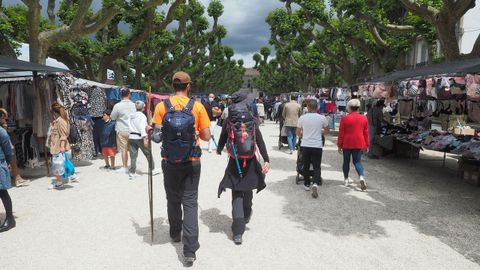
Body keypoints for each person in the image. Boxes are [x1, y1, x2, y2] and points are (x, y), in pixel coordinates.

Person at [151, 71, 211, 266]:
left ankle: (175, 233)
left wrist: (149, 131)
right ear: (188, 86)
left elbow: (157, 136)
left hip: (169, 161)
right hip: (192, 160)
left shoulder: (161, 106)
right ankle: (190, 249)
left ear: (172, 86)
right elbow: (207, 136)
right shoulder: (198, 107)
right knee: (191, 202)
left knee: (173, 199)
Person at [216, 91, 270, 245]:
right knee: (248, 189)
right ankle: (246, 214)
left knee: (237, 193)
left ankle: (238, 232)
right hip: (250, 159)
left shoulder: (230, 119)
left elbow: (223, 136)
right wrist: (266, 159)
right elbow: (259, 139)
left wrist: (219, 149)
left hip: (235, 160)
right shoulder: (251, 118)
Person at [296, 99, 329, 198]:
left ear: (308, 107)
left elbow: (297, 133)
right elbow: (327, 131)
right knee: (317, 165)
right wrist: (319, 132)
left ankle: (306, 184)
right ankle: (315, 182)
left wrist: (304, 134)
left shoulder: (302, 118)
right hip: (317, 145)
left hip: (305, 145)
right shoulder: (322, 118)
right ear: (317, 107)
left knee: (306, 164)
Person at [337, 99, 369, 191]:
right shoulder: (364, 118)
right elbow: (366, 133)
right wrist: (367, 145)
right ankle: (361, 177)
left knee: (346, 161)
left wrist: (339, 145)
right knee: (357, 162)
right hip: (359, 142)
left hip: (347, 143)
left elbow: (341, 133)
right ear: (358, 107)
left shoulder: (345, 118)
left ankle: (346, 179)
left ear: (349, 107)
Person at [128, 101, 159, 179]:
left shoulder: (131, 115)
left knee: (133, 156)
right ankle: (152, 169)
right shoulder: (142, 116)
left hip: (131, 136)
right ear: (143, 107)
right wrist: (145, 138)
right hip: (139, 137)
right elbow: (142, 127)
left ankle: (132, 172)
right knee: (148, 153)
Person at [111, 88, 136, 173]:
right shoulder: (134, 105)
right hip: (132, 130)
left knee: (123, 149)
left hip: (121, 129)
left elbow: (113, 117)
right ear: (129, 94)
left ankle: (125, 166)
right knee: (132, 149)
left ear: (121, 95)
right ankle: (133, 166)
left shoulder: (117, 106)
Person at [0, 109, 26, 187]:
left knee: (13, 162)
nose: (5, 120)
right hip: (6, 149)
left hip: (7, 147)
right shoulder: (2, 128)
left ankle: (17, 177)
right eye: (4, 118)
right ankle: (16, 179)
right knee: (12, 161)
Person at [48, 103, 71, 189]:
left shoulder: (60, 121)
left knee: (57, 165)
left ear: (54, 112)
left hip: (59, 147)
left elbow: (63, 135)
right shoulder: (59, 120)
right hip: (57, 146)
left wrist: (62, 147)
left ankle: (58, 182)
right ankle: (70, 176)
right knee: (62, 163)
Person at [0, 109, 14, 233]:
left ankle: (10, 218)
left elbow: (8, 150)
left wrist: (8, 162)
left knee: (2, 192)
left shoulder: (1, 132)